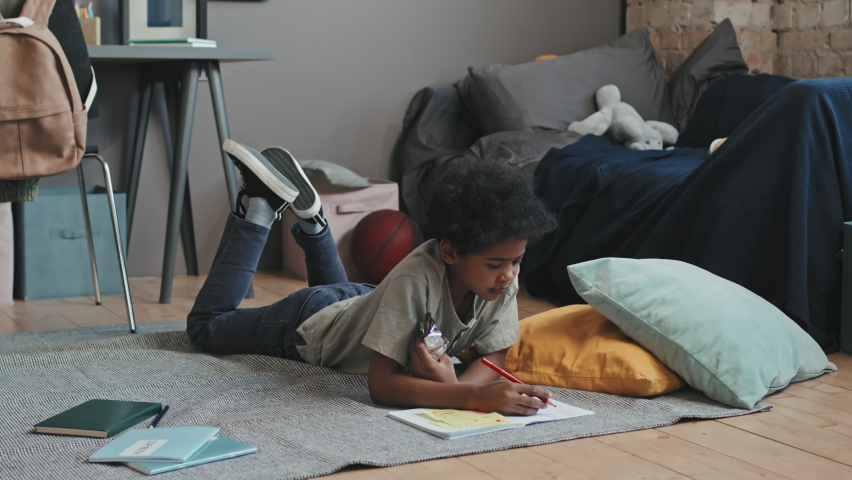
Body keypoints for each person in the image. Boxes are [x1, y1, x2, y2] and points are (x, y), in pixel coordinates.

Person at [186, 140, 558, 415]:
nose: (508, 276)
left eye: (516, 262)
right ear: (449, 252)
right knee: (204, 328)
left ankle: (316, 227)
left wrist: (453, 385)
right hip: (311, 322)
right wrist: (472, 396)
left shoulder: (502, 276)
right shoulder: (415, 280)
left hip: (361, 301)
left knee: (341, 298)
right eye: (496, 265)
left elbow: (496, 353)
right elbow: (381, 386)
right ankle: (260, 209)